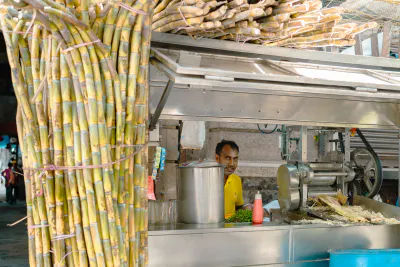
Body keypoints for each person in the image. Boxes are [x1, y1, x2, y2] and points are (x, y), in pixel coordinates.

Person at [215, 140, 244, 219]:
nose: (232, 163)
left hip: (230, 229)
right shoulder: (207, 179)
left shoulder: (236, 180)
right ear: (217, 158)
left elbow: (239, 207)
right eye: (227, 158)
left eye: (235, 159)